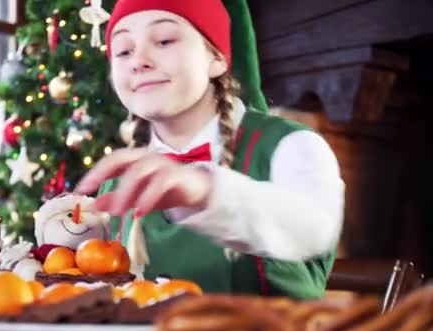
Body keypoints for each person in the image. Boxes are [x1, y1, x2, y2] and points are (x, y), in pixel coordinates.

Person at [76, 0, 345, 299]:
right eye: (124, 50)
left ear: (216, 58)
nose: (138, 61)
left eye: (164, 40)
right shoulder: (119, 180)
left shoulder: (291, 145)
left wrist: (206, 190)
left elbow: (315, 228)